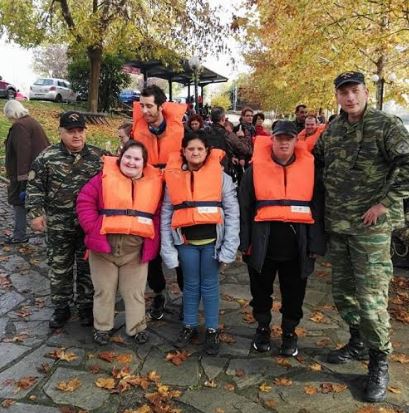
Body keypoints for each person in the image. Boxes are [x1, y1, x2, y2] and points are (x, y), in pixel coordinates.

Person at [314, 71, 409, 403]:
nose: (349, 98)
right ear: (337, 97)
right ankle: (356, 342)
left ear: (365, 92)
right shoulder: (334, 129)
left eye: (354, 91)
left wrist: (384, 203)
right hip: (339, 227)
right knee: (344, 295)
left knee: (371, 302)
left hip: (370, 230)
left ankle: (378, 360)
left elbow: (407, 163)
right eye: (343, 93)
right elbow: (316, 160)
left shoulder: (386, 125)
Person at [239, 120, 325, 357]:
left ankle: (289, 332)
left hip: (298, 248)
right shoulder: (253, 171)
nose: (284, 142)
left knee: (294, 294)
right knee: (260, 292)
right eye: (279, 138)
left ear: (296, 142)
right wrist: (244, 242)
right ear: (272, 140)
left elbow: (317, 209)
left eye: (289, 138)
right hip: (262, 245)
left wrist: (316, 245)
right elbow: (244, 208)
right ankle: (263, 327)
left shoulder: (310, 172)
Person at [26, 111, 108, 329]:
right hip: (58, 225)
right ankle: (61, 308)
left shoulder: (100, 157)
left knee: (87, 268)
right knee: (59, 267)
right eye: (70, 131)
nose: (76, 136)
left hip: (88, 226)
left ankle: (85, 307)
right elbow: (34, 188)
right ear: (60, 132)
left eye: (80, 131)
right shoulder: (47, 158)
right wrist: (35, 214)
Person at [76, 140, 163, 345]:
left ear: (144, 163)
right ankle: (102, 327)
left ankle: (137, 327)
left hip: (135, 249)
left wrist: (153, 239)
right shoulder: (101, 179)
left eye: (137, 159)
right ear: (120, 157)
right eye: (128, 157)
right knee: (104, 290)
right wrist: (93, 227)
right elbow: (84, 202)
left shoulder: (154, 184)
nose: (131, 162)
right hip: (103, 247)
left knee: (134, 292)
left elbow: (158, 215)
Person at [161, 131, 240, 355]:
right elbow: (167, 213)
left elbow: (233, 214)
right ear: (183, 152)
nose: (195, 153)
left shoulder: (222, 178)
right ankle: (189, 325)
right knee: (190, 285)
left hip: (212, 244)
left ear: (207, 152)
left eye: (199, 149)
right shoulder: (173, 178)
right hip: (185, 243)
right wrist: (168, 249)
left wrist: (229, 249)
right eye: (191, 149)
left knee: (210, 285)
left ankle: (212, 329)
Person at [132, 85, 187, 320]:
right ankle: (159, 292)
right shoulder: (138, 130)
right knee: (151, 248)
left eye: (149, 106)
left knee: (181, 246)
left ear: (161, 106)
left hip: (175, 195)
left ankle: (188, 294)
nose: (144, 110)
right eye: (141, 105)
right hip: (150, 194)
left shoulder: (179, 130)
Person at [3, 100, 50, 244]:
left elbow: (23, 152)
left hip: (27, 173)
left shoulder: (20, 125)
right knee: (41, 202)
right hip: (39, 170)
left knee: (19, 202)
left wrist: (22, 179)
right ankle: (47, 232)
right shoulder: (30, 121)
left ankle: (19, 235)